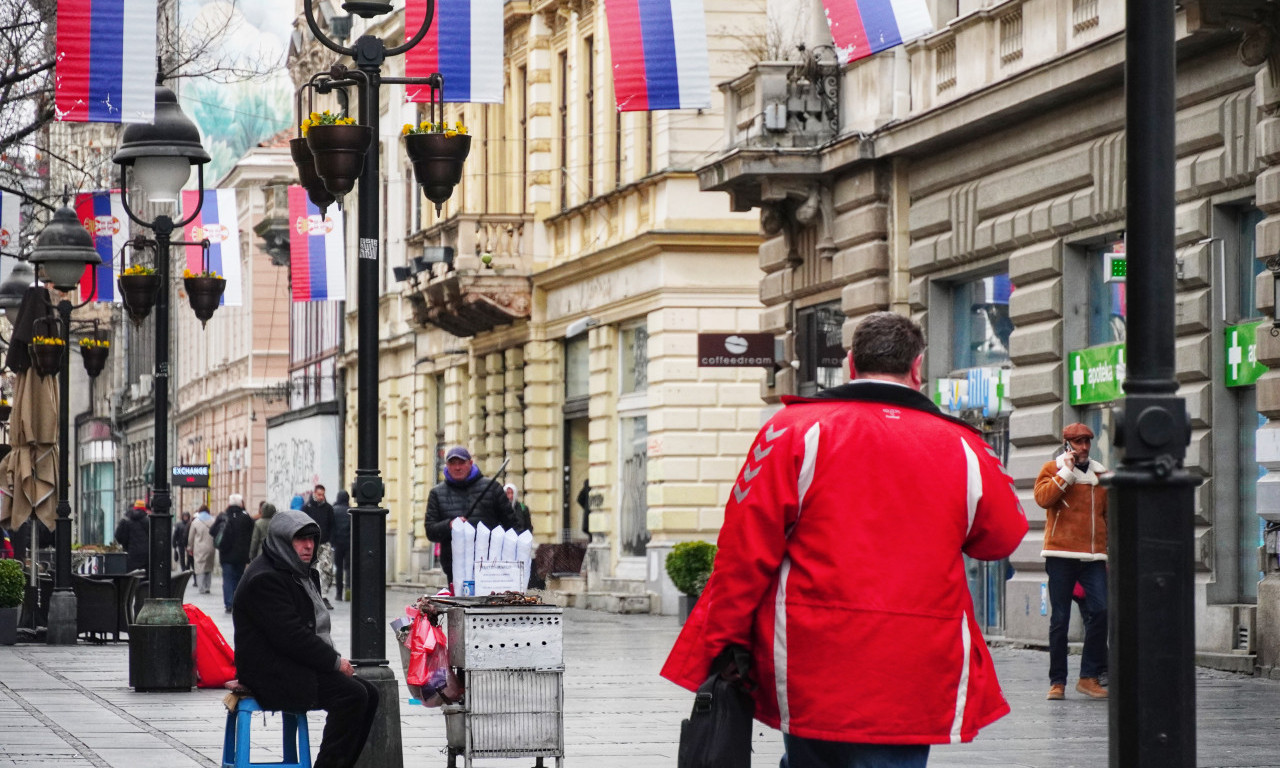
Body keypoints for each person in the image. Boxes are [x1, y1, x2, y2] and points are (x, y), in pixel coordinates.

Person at [661, 312, 1028, 768]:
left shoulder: (792, 430)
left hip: (811, 655)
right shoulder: (966, 445)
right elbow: (1002, 538)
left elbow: (743, 549)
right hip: (914, 660)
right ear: (917, 368)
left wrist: (724, 640)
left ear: (851, 363)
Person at [233, 509, 379, 768]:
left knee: (370, 693)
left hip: (293, 664)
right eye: (300, 539)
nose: (309, 546)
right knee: (352, 695)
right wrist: (334, 662)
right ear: (283, 541)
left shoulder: (300, 572)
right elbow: (292, 637)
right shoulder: (265, 578)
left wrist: (332, 663)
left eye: (312, 539)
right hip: (270, 671)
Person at [1034, 422, 1109, 701]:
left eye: (1087, 442)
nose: (1084, 447)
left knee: (1101, 611)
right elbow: (1043, 499)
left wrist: (1108, 548)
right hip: (1060, 554)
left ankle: (1089, 677)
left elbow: (1108, 515)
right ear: (1067, 444)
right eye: (1078, 442)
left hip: (1093, 556)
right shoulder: (1051, 469)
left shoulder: (1101, 475)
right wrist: (1065, 472)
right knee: (1060, 619)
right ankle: (1058, 682)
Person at [424, 446, 519, 593]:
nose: (457, 467)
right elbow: (431, 531)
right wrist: (449, 525)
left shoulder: (492, 488)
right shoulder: (437, 493)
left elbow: (512, 526)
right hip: (454, 566)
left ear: (470, 463)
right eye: (453, 463)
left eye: (461, 463)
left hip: (490, 566)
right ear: (447, 465)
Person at [217, 494, 255, 613]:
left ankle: (229, 603)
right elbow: (252, 535)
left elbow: (213, 531)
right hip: (241, 555)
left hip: (226, 555)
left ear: (229, 503)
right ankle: (236, 602)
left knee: (227, 579)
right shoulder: (246, 517)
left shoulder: (223, 516)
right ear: (241, 504)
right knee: (238, 579)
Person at [304, 485, 336, 609]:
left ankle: (324, 596)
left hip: (324, 543)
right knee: (310, 569)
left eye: (323, 494)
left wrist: (331, 541)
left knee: (326, 569)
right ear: (314, 494)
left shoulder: (328, 508)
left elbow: (332, 525)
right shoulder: (307, 508)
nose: (321, 497)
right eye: (319, 494)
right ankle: (311, 596)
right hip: (311, 542)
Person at [114, 500, 150, 573]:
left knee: (131, 576)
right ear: (144, 509)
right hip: (146, 555)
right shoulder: (148, 521)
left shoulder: (126, 520)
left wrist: (125, 546)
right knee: (145, 577)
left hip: (131, 553)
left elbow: (118, 536)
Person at [188, 505, 216, 593]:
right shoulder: (213, 521)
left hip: (199, 548)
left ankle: (201, 588)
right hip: (211, 547)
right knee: (208, 567)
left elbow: (191, 537)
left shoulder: (195, 522)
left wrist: (190, 548)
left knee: (200, 568)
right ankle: (207, 587)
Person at [331, 489, 351, 602]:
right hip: (349, 544)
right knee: (348, 568)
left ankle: (339, 593)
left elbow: (332, 528)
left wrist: (333, 542)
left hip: (337, 544)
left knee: (339, 568)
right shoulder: (350, 511)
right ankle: (348, 589)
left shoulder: (334, 510)